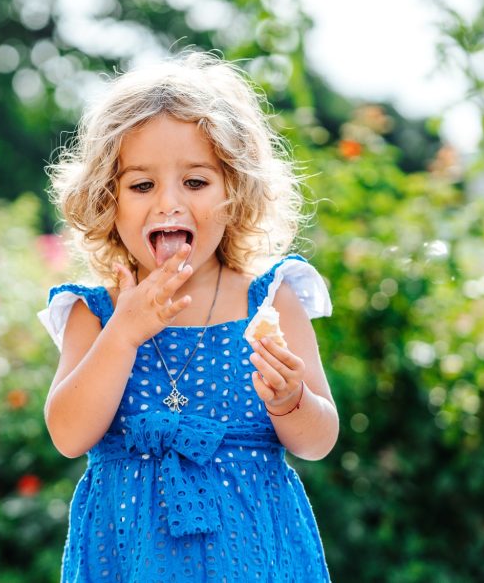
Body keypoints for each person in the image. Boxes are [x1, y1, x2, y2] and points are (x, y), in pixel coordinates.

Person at [37, 51, 339, 582]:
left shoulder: (269, 300)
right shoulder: (97, 312)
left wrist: (291, 402)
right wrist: (124, 334)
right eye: (141, 185)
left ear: (235, 192)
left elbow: (318, 441)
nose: (169, 203)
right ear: (108, 200)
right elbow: (67, 434)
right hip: (129, 560)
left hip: (251, 558)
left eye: (196, 182)